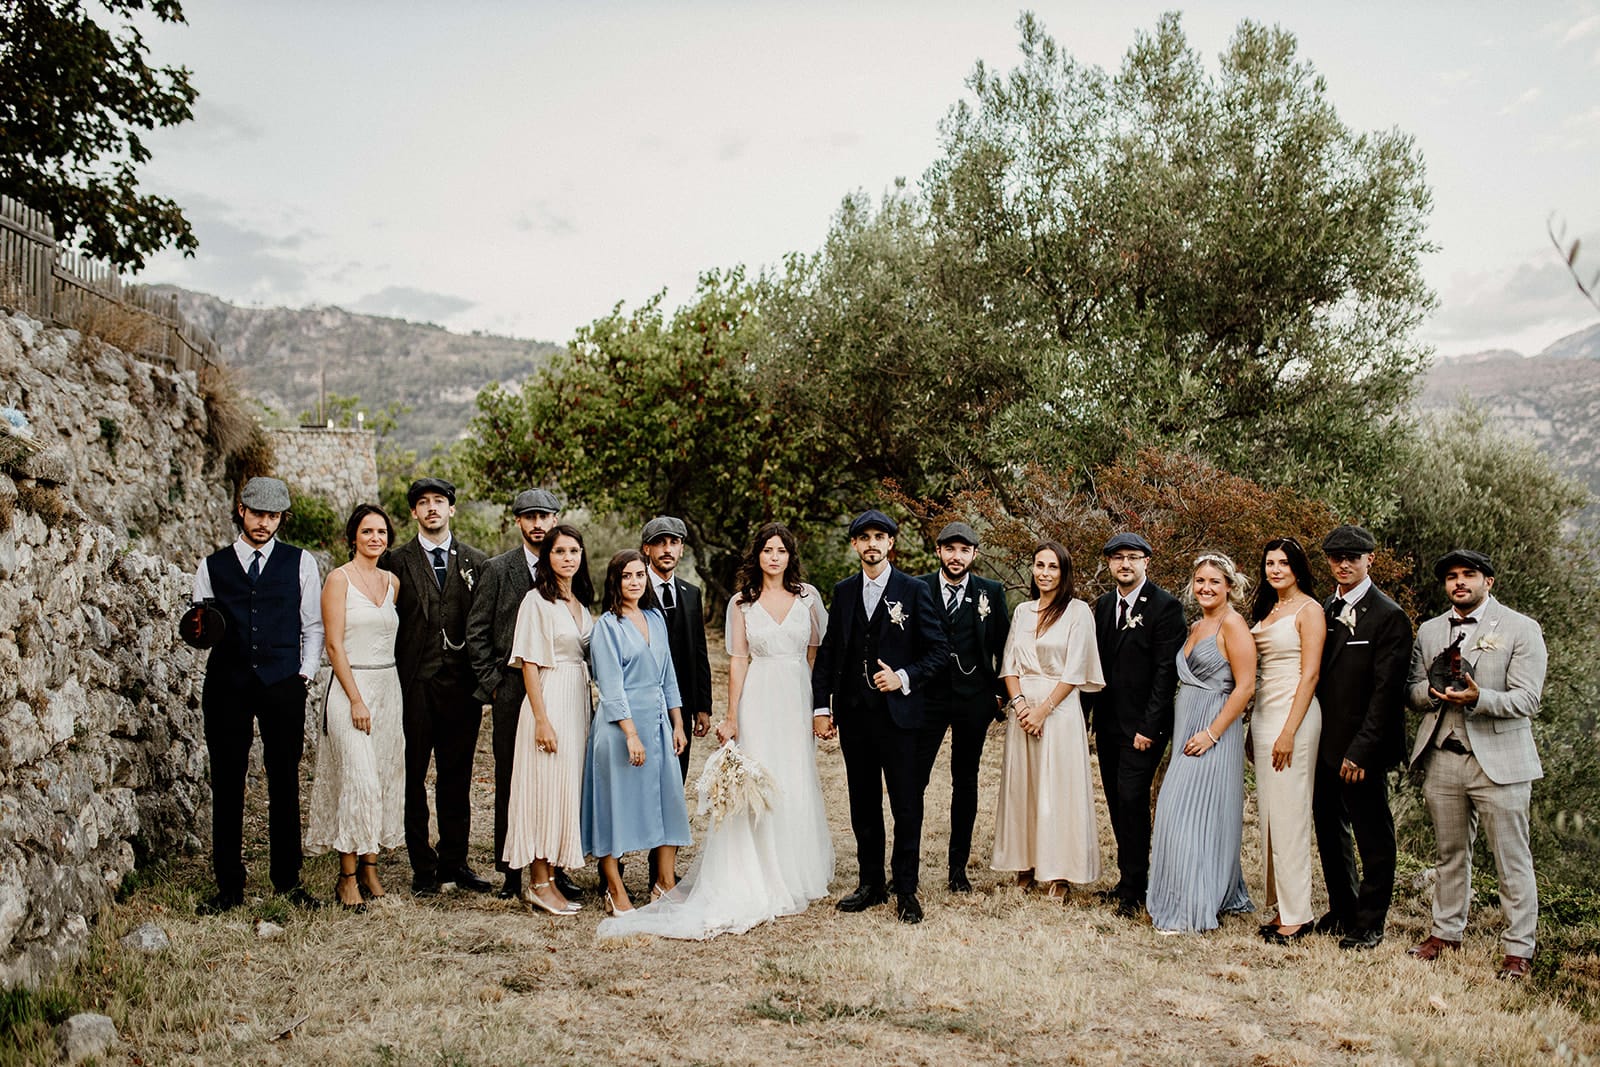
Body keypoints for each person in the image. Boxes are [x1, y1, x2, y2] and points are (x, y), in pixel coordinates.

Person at [599, 523, 833, 939]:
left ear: (790, 555)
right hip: (758, 699)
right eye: (767, 550)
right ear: (757, 556)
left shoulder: (808, 597)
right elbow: (738, 662)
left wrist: (815, 706)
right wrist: (731, 715)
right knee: (760, 782)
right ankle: (757, 869)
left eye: (781, 550)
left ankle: (795, 870)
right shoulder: (742, 602)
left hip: (795, 696)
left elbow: (816, 657)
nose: (774, 557)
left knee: (796, 780)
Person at [1405, 549, 1546, 980]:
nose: (1459, 582)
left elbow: (1528, 698)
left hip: (1499, 763)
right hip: (1443, 759)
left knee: (1511, 859)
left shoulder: (1521, 628)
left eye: (1469, 574)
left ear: (1489, 581)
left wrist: (1479, 698)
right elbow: (1410, 690)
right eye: (1452, 577)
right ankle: (1445, 933)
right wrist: (1429, 695)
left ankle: (1519, 949)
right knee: (1449, 854)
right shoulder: (1429, 631)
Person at [190, 476, 324, 914]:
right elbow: (202, 627)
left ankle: (287, 882)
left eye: (273, 516)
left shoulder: (300, 562)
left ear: (281, 518)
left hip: (283, 683)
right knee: (226, 783)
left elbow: (312, 626)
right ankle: (228, 887)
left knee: (283, 781)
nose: (265, 523)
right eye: (257, 514)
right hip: (226, 686)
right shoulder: (211, 566)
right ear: (241, 511)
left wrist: (302, 676)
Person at [811, 509, 948, 924]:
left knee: (907, 803)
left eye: (880, 537)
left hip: (901, 718)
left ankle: (905, 888)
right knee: (863, 802)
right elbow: (831, 651)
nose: (872, 544)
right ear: (854, 544)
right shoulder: (844, 591)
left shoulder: (914, 589)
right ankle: (870, 883)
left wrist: (904, 676)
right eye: (864, 537)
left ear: (891, 543)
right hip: (855, 716)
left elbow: (939, 652)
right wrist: (821, 707)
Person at [384, 477, 490, 896]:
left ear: (451, 509)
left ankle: (455, 861)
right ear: (413, 512)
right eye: (423, 503)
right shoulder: (395, 562)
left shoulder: (476, 562)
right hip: (413, 686)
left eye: (439, 502)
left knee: (456, 776)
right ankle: (421, 866)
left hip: (461, 689)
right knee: (412, 776)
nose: (432, 509)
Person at [1146, 553, 1257, 934]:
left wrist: (1212, 733)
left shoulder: (1233, 625)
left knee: (1189, 816)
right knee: (1181, 814)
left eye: (1214, 581)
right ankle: (1187, 892)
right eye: (1199, 581)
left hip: (1214, 733)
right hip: (1186, 730)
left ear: (1229, 586)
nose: (1206, 588)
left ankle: (1191, 905)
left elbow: (1245, 687)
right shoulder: (1196, 626)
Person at [1312, 524, 1411, 950]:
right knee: (1330, 833)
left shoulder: (1388, 616)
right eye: (1336, 557)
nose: (1344, 564)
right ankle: (1343, 911)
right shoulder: (1320, 609)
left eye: (1353, 557)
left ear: (1370, 559)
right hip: (1320, 745)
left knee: (1373, 837)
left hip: (1361, 750)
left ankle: (1370, 923)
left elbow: (1386, 695)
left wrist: (1360, 751)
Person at [464, 487, 562, 899]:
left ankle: (556, 867)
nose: (538, 523)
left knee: (557, 778)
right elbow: (477, 631)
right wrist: (494, 686)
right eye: (530, 516)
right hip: (511, 694)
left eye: (544, 516)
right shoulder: (498, 568)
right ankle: (510, 872)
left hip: (557, 692)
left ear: (555, 520)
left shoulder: (566, 566)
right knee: (510, 780)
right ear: (518, 521)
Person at [306, 504, 406, 909]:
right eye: (367, 531)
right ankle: (346, 878)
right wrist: (356, 699)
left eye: (381, 532)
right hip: (351, 689)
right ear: (353, 537)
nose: (375, 538)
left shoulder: (393, 582)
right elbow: (333, 645)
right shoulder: (337, 580)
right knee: (358, 781)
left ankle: (370, 867)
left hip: (389, 685)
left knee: (382, 776)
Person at [991, 542, 1104, 897]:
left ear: (1064, 571)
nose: (1044, 572)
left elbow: (1075, 670)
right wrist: (1022, 705)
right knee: (1023, 787)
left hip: (1059, 711)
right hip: (1023, 711)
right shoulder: (1023, 611)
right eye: (1039, 565)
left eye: (1052, 567)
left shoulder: (1078, 611)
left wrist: (1043, 710)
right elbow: (1009, 663)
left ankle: (1059, 873)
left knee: (1058, 790)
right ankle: (1025, 865)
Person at [1083, 533, 1186, 919]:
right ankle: (1127, 879)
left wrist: (1150, 726)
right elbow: (1095, 666)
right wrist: (1085, 718)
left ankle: (1136, 889)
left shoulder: (1165, 607)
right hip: (1108, 724)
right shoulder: (1105, 604)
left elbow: (1165, 673)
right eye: (1117, 558)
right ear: (1109, 564)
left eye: (1132, 557)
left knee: (1132, 800)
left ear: (1147, 561)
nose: (1124, 564)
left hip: (1144, 729)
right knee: (1115, 800)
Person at [583, 551, 692, 914]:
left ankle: (664, 883)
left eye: (639, 576)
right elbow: (610, 688)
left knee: (668, 801)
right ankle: (613, 886)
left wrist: (678, 723)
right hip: (620, 727)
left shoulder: (655, 619)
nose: (634, 582)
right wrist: (631, 734)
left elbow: (670, 677)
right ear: (614, 581)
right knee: (615, 805)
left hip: (659, 722)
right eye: (626, 576)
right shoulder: (606, 627)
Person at [503, 525, 595, 915]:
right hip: (549, 697)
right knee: (544, 789)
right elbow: (529, 664)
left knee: (565, 790)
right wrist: (542, 720)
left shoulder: (581, 604)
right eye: (560, 551)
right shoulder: (535, 602)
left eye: (574, 551)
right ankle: (538, 884)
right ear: (547, 557)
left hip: (577, 700)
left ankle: (553, 879)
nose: (568, 558)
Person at [917, 522, 1011, 893]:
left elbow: (1005, 644)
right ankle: (905, 866)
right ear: (938, 551)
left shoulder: (991, 590)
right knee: (914, 780)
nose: (957, 557)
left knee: (966, 782)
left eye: (964, 550)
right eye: (950, 549)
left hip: (974, 699)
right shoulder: (917, 587)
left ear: (974, 554)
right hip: (927, 698)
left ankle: (958, 870)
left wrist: (1000, 693)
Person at [1247, 537, 1324, 943]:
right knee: (1272, 818)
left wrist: (1289, 731)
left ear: (1298, 567)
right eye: (1269, 563)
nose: (1275, 569)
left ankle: (1299, 916)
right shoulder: (1268, 609)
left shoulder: (1310, 610)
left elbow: (1310, 674)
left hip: (1293, 717)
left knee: (1292, 815)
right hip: (1262, 715)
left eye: (1283, 563)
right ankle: (1282, 907)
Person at [640, 514, 713, 890]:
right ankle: (615, 870)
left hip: (680, 710)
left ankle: (661, 871)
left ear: (682, 549)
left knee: (672, 785)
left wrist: (702, 706)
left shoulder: (690, 593)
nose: (668, 550)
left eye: (674, 543)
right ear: (647, 549)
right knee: (638, 786)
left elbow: (699, 652)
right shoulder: (634, 589)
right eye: (661, 543)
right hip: (642, 705)